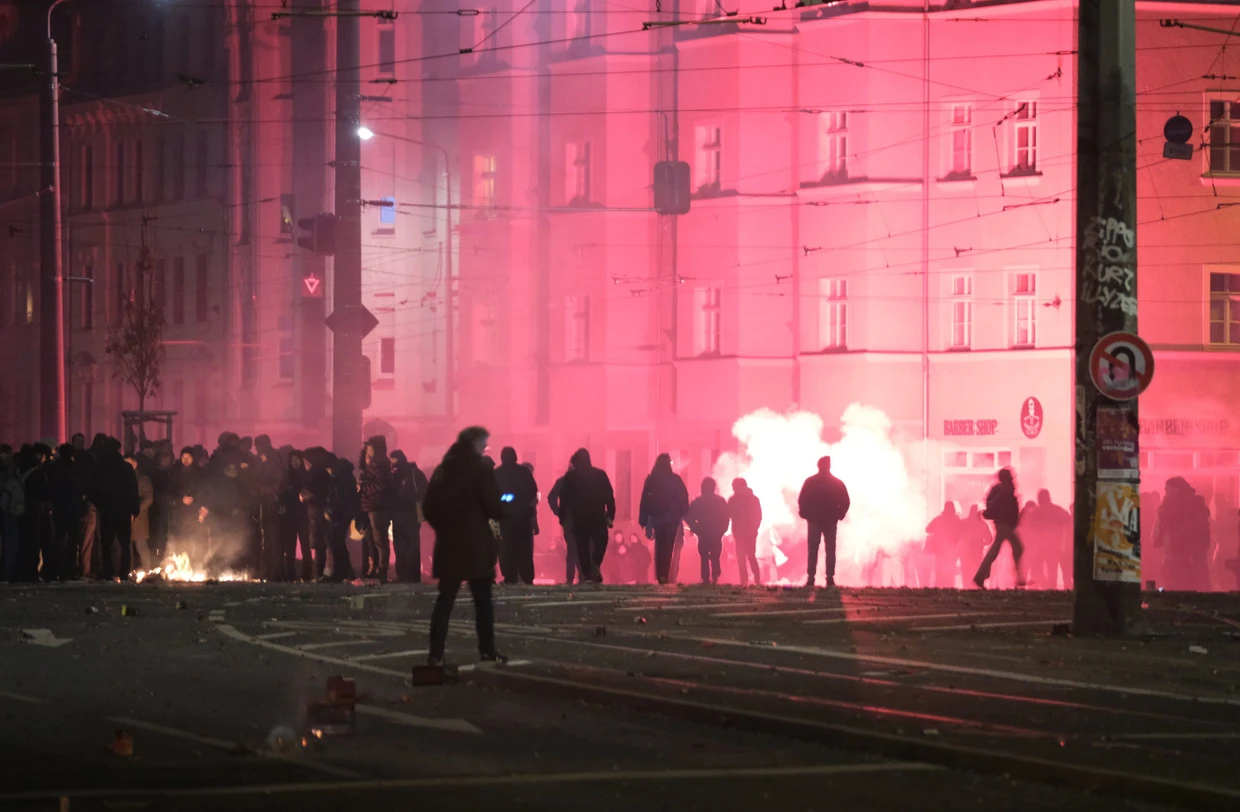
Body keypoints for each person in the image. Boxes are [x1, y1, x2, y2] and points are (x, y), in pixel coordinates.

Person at [423, 426, 507, 666]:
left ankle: (435, 653)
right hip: (476, 544)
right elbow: (494, 506)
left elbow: (428, 507)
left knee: (445, 600)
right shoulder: (481, 470)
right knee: (482, 601)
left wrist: (444, 527)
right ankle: (487, 650)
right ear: (475, 444)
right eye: (484, 444)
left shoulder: (443, 470)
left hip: (449, 543)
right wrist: (503, 511)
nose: (485, 448)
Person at [558, 449, 616, 583]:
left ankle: (588, 575)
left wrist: (563, 518)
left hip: (579, 517)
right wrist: (610, 514)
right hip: (597, 515)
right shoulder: (600, 475)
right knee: (601, 541)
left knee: (582, 546)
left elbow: (564, 498)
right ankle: (595, 562)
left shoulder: (570, 477)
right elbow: (609, 496)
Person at [797, 456, 851, 588]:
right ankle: (830, 579)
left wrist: (805, 514)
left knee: (813, 550)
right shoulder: (837, 483)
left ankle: (811, 579)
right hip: (829, 521)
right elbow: (846, 501)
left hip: (815, 520)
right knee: (830, 550)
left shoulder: (810, 482)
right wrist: (839, 514)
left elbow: (802, 500)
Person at [638, 453, 690, 585]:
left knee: (659, 546)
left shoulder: (651, 480)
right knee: (668, 546)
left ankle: (661, 574)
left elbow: (645, 500)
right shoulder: (675, 479)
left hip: (657, 518)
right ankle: (664, 575)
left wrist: (643, 519)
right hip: (672, 519)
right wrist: (683, 513)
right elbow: (683, 497)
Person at [92, 438, 140, 581]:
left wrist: (100, 505)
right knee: (124, 543)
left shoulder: (100, 467)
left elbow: (94, 490)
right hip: (123, 511)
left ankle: (107, 572)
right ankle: (124, 572)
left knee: (106, 543)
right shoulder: (125, 468)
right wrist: (134, 509)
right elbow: (133, 490)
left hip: (107, 511)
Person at [973, 468, 1025, 590]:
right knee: (1016, 547)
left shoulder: (1004, 490)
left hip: (1004, 524)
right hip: (1004, 524)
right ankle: (1018, 578)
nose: (1013, 479)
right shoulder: (1005, 491)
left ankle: (980, 576)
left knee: (996, 550)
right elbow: (1004, 508)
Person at [494, 447, 539, 585]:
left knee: (507, 548)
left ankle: (510, 575)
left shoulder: (497, 474)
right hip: (523, 516)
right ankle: (526, 576)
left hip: (506, 518)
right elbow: (532, 490)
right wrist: (522, 501)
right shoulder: (524, 472)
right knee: (524, 548)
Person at [358, 435, 395, 582]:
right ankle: (379, 570)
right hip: (374, 507)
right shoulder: (379, 464)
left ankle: (382, 571)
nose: (367, 449)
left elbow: (382, 484)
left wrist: (363, 486)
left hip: (378, 507)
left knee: (380, 540)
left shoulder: (379, 465)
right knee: (377, 540)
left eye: (370, 446)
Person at [389, 449, 429, 583]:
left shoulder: (402, 474)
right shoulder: (414, 473)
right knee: (411, 545)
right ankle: (412, 576)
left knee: (403, 545)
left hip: (403, 513)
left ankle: (405, 575)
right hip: (411, 514)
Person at [686, 478, 730, 584]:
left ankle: (706, 577)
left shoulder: (697, 502)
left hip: (703, 532)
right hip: (716, 532)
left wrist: (695, 528)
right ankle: (715, 572)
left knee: (704, 555)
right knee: (715, 554)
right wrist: (723, 529)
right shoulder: (720, 501)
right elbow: (726, 517)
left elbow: (688, 517)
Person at [326, 457, 360, 582]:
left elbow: (339, 498)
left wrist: (332, 511)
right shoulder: (347, 477)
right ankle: (344, 570)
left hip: (339, 515)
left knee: (336, 542)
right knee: (337, 542)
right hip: (342, 515)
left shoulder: (340, 479)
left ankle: (341, 571)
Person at [278, 450, 310, 582]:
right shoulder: (286, 476)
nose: (295, 462)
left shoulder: (307, 476)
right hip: (290, 516)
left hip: (303, 515)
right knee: (290, 547)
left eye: (297, 459)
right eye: (292, 460)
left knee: (305, 546)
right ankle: (290, 574)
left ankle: (307, 574)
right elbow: (282, 494)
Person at [302, 448, 333, 581]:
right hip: (323, 512)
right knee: (322, 543)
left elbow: (309, 493)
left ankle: (318, 573)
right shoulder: (326, 475)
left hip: (316, 511)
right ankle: (320, 573)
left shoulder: (313, 474)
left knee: (318, 543)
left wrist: (306, 495)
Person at [547, 465, 580, 583]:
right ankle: (583, 576)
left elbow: (551, 497)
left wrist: (559, 512)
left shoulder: (562, 482)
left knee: (572, 550)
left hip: (569, 520)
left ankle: (570, 578)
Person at [728, 477, 762, 587]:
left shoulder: (733, 500)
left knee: (741, 558)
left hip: (739, 533)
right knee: (751, 556)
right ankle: (757, 579)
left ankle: (744, 581)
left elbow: (728, 515)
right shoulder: (754, 499)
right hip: (750, 533)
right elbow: (758, 516)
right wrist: (754, 529)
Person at [924, 501, 962, 589]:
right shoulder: (956, 520)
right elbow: (961, 532)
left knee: (939, 570)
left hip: (939, 549)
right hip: (952, 549)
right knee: (950, 570)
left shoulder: (939, 519)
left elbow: (928, 529)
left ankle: (938, 588)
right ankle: (950, 588)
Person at [0, 444, 24, 581]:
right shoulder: (13, 470)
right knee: (11, 542)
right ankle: (8, 573)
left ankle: (7, 572)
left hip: (7, 509)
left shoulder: (11, 469)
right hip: (8, 510)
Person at [128, 454, 155, 571]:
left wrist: (135, 510)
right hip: (125, 517)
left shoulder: (142, 479)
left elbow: (148, 498)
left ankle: (147, 571)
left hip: (138, 517)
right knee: (126, 547)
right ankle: (127, 571)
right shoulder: (121, 477)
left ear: (135, 464)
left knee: (141, 545)